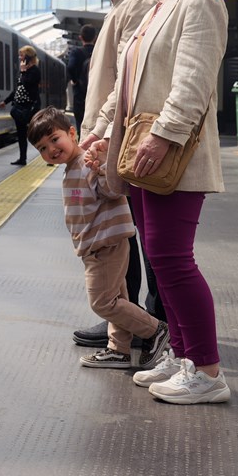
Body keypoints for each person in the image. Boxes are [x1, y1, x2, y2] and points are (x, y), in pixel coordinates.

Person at [95, 0, 231, 405]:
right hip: (143, 153)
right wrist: (102, 131)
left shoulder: (201, 2)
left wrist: (163, 136)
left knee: (173, 261)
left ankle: (209, 372)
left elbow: (193, 82)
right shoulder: (160, 6)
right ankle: (183, 354)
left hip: (170, 156)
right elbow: (128, 83)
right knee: (160, 256)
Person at [73, 0, 167, 349]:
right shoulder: (129, 0)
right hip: (117, 136)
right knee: (127, 233)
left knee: (127, 234)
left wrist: (104, 133)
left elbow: (132, 78)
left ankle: (139, 322)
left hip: (123, 139)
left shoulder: (139, 0)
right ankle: (128, 318)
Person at [28, 107, 169, 370]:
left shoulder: (87, 162)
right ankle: (119, 350)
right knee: (118, 299)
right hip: (96, 245)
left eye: (54, 139)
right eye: (42, 148)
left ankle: (156, 330)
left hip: (106, 244)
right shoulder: (71, 168)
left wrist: (103, 167)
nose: (51, 150)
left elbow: (112, 190)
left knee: (102, 302)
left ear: (72, 133)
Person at [0, 45, 41, 165]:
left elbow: (27, 85)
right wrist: (5, 101)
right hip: (20, 106)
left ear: (28, 56)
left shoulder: (34, 71)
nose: (19, 58)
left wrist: (23, 72)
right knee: (21, 134)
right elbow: (18, 89)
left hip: (30, 107)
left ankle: (49, 155)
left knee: (36, 133)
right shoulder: (23, 71)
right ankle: (22, 158)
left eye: (21, 55)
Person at [66, 24, 96, 131]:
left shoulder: (76, 52)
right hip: (97, 93)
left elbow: (70, 67)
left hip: (80, 95)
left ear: (80, 37)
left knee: (81, 125)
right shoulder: (99, 52)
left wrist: (74, 80)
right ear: (95, 37)